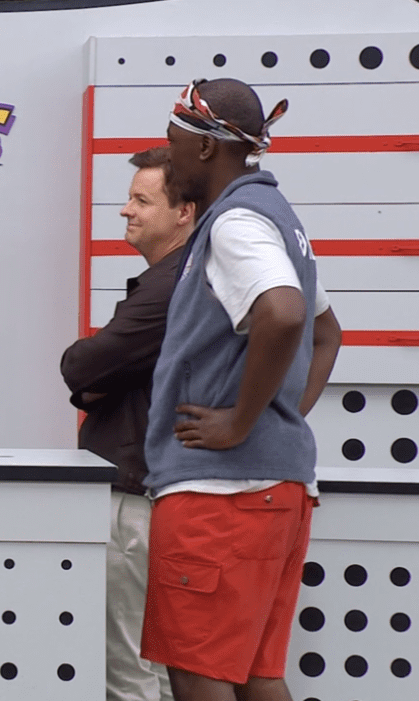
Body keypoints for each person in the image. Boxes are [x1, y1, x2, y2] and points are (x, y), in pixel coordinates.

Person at [140, 78, 342, 701]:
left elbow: (285, 313)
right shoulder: (276, 217)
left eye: (173, 141)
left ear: (206, 148)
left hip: (219, 496)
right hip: (272, 491)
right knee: (256, 675)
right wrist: (279, 416)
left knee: (198, 672)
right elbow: (326, 332)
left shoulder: (235, 223)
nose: (168, 156)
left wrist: (241, 423)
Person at [61, 145, 192, 701]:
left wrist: (96, 376)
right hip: (157, 496)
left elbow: (80, 366)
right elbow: (95, 374)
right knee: (162, 673)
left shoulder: (167, 286)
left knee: (128, 675)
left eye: (142, 200)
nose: (126, 209)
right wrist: (99, 375)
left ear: (183, 212)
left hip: (136, 501)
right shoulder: (181, 280)